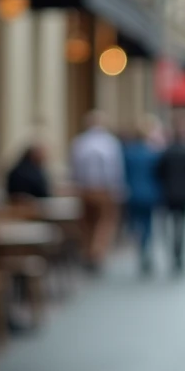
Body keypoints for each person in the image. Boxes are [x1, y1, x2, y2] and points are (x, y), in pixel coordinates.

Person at [70, 110, 125, 271]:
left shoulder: (79, 142)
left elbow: (75, 168)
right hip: (104, 189)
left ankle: (88, 251)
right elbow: (115, 168)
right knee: (104, 223)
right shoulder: (110, 143)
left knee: (87, 223)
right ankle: (97, 252)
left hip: (85, 188)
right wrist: (117, 188)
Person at [154, 110, 185, 274]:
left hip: (168, 193)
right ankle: (179, 254)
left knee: (168, 224)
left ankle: (173, 252)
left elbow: (158, 173)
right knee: (182, 225)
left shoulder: (166, 153)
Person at [123, 116, 164, 275]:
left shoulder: (129, 153)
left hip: (132, 193)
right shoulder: (152, 153)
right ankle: (145, 248)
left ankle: (140, 246)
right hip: (150, 193)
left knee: (135, 222)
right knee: (148, 224)